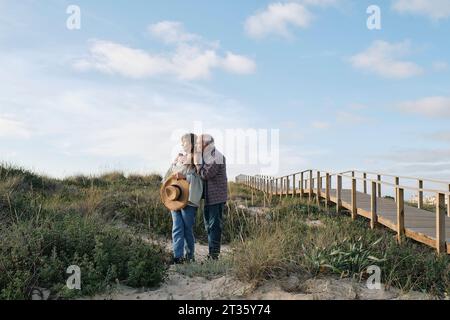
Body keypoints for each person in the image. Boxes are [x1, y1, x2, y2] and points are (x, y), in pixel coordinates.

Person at [163, 133, 203, 264]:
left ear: (191, 144)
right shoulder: (179, 158)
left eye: (184, 142)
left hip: (189, 199)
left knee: (187, 229)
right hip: (175, 197)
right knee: (177, 227)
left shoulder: (197, 158)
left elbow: (199, 179)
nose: (182, 145)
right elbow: (168, 175)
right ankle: (177, 256)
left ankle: (190, 256)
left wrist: (184, 177)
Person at [194, 134, 228, 260]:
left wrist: (198, 166)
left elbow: (206, 174)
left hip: (216, 197)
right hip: (210, 198)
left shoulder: (216, 156)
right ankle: (212, 253)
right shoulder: (208, 156)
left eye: (199, 143)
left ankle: (214, 256)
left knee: (214, 226)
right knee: (209, 226)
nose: (197, 145)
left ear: (206, 144)